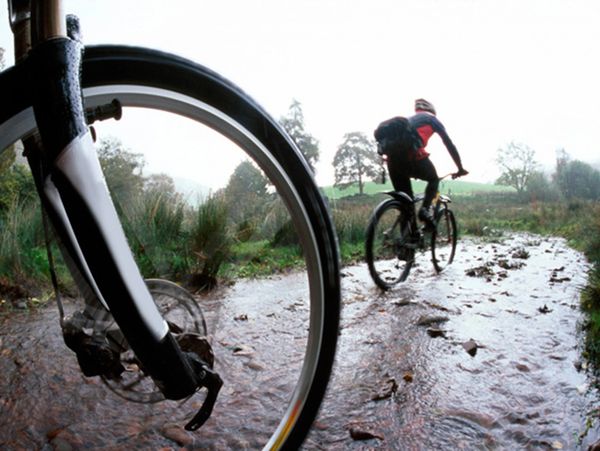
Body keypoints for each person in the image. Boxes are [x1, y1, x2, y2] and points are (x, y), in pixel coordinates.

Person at [385, 98, 468, 226]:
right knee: (434, 179)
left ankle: (406, 241)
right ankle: (424, 210)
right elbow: (449, 144)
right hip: (413, 157)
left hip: (392, 162)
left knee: (406, 203)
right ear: (432, 110)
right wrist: (460, 168)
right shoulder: (432, 119)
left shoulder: (407, 120)